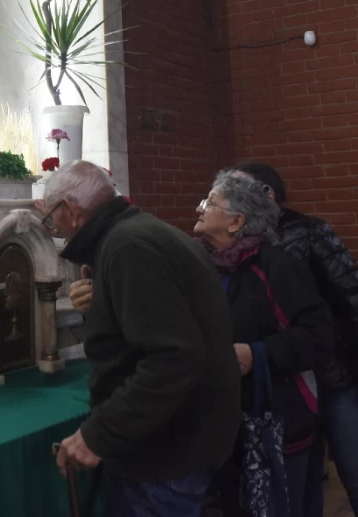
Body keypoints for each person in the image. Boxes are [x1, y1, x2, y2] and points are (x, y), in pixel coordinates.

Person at [39, 161, 241, 517]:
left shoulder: (127, 248)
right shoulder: (142, 233)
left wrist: (100, 434)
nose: (53, 228)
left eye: (51, 217)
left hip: (166, 452)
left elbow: (173, 358)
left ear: (71, 210)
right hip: (191, 434)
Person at [232, 162, 358, 517]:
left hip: (335, 380)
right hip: (287, 386)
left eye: (237, 188)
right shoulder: (237, 244)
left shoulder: (309, 232)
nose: (229, 196)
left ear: (268, 195)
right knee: (302, 486)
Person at [196, 171, 332, 517]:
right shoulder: (199, 265)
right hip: (221, 420)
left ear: (236, 222)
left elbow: (318, 336)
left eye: (210, 202)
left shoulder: (277, 265)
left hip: (277, 419)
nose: (199, 208)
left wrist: (257, 354)